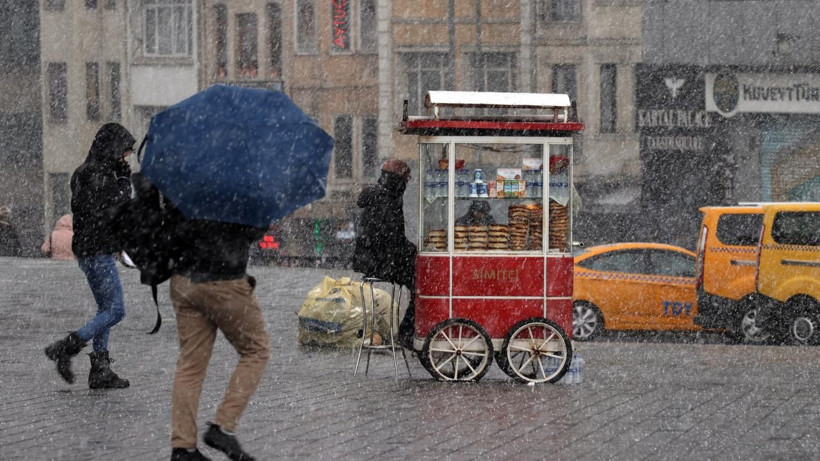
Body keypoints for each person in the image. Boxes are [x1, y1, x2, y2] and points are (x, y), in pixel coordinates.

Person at [168, 220, 270, 461]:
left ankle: (183, 448)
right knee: (256, 351)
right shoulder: (238, 185)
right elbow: (252, 229)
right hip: (224, 278)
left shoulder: (186, 184)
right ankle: (223, 427)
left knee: (190, 365)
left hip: (184, 279)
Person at [44, 123, 135, 390]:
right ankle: (67, 347)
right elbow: (113, 210)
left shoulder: (85, 171)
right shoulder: (101, 174)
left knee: (105, 309)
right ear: (113, 148)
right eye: (125, 151)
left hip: (89, 248)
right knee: (116, 310)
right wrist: (124, 182)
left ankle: (100, 369)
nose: (126, 157)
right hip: (97, 250)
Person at [352, 158, 417, 349]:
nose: (406, 184)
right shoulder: (387, 200)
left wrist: (408, 248)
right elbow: (390, 239)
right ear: (397, 180)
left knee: (417, 281)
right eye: (405, 180)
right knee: (421, 287)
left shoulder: (376, 194)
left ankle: (408, 332)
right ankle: (406, 333)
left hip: (372, 260)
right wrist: (411, 250)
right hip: (381, 263)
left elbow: (389, 238)